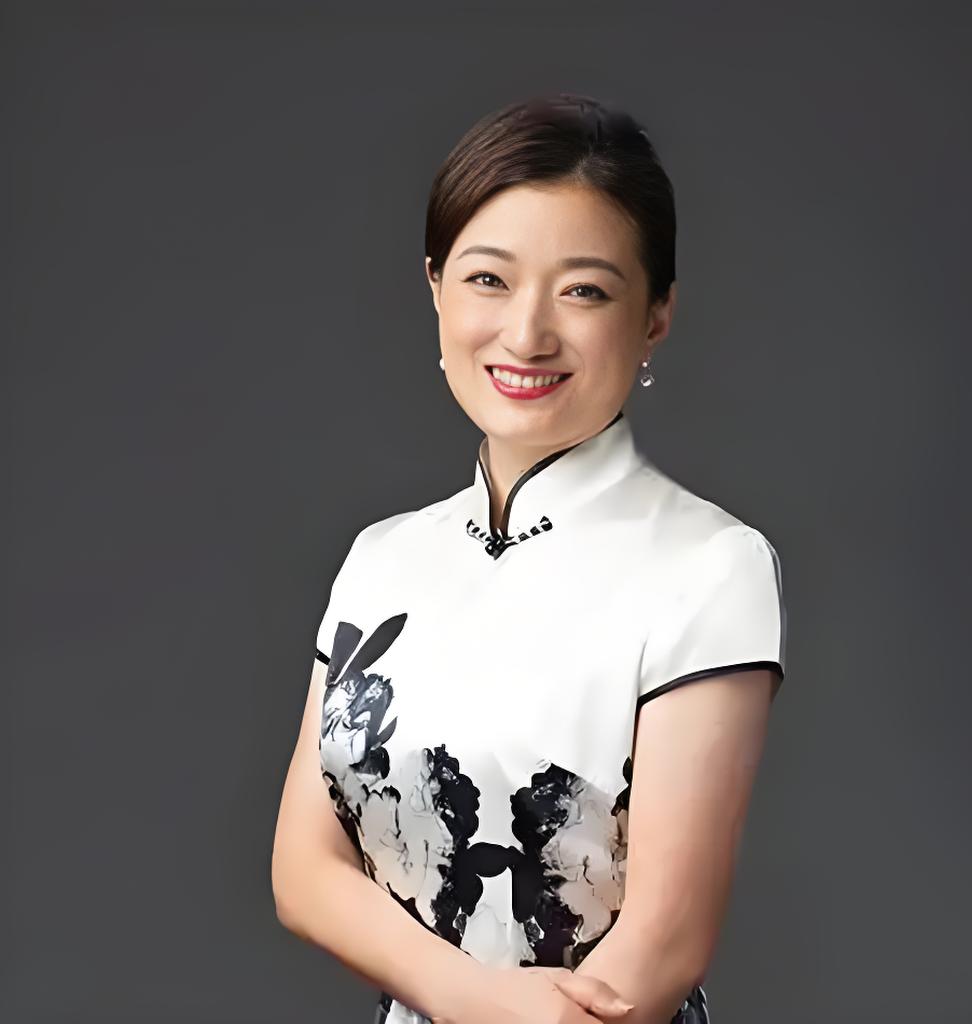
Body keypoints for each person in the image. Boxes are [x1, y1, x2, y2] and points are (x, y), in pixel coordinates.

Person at [271, 93, 787, 1024]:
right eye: (488, 279)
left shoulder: (710, 565)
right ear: (436, 288)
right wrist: (473, 1000)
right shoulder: (381, 560)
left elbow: (662, 945)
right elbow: (304, 870)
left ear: (657, 315)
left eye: (583, 290)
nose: (527, 334)